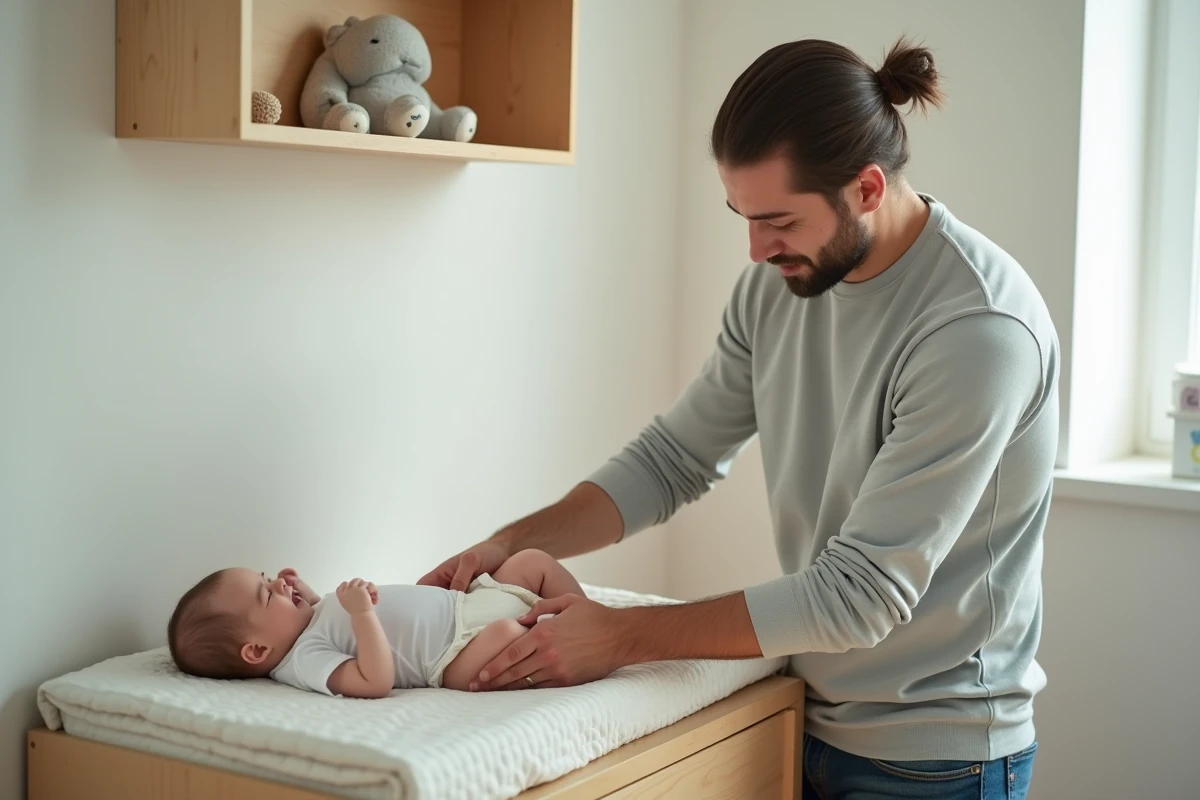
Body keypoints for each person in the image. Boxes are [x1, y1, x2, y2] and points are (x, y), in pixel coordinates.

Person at [418, 35, 1056, 799]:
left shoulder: (975, 331)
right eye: (742, 216)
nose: (756, 250)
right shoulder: (782, 286)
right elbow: (673, 460)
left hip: (938, 757)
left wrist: (617, 638)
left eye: (779, 221)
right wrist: (505, 544)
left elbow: (861, 594)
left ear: (868, 188)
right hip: (804, 712)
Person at [166, 548, 583, 696]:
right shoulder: (302, 662)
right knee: (510, 635)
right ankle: (578, 643)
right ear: (257, 651)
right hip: (456, 652)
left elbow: (321, 614)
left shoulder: (305, 623)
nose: (276, 583)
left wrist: (305, 593)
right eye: (265, 593)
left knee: (532, 562)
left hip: (466, 604)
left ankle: (590, 618)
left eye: (265, 576)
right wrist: (362, 613)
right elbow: (374, 680)